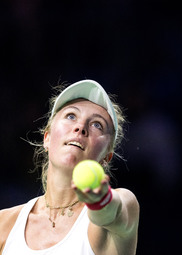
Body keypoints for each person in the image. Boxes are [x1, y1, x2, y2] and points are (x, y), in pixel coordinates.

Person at [0, 80, 139, 255]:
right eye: (71, 116)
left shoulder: (124, 204)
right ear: (47, 138)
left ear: (106, 157)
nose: (81, 127)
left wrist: (101, 202)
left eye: (97, 124)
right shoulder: (4, 225)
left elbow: (113, 212)